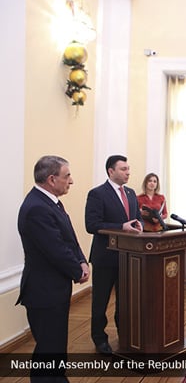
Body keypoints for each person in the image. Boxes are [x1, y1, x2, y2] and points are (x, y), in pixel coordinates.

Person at [16, 155, 90, 382]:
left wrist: (82, 261)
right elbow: (55, 249)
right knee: (49, 348)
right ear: (51, 179)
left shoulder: (50, 202)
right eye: (67, 176)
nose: (71, 181)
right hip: (44, 291)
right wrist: (77, 271)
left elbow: (69, 238)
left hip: (53, 288)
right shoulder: (37, 208)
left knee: (55, 345)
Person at [85, 155, 143, 354]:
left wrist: (139, 225)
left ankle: (124, 334)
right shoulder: (97, 194)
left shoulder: (131, 193)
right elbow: (91, 225)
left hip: (129, 257)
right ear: (111, 171)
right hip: (105, 257)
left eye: (128, 169)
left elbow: (137, 218)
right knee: (100, 301)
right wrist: (121, 227)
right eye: (123, 169)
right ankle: (99, 339)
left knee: (125, 300)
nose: (128, 172)